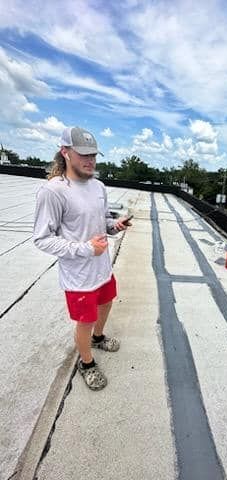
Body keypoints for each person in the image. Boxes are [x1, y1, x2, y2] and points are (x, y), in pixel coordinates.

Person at [33, 126, 132, 391]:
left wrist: (115, 225)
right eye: (83, 154)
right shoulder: (53, 191)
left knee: (107, 303)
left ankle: (98, 338)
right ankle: (86, 363)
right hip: (79, 276)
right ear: (65, 152)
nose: (90, 160)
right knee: (85, 321)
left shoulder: (98, 186)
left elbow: (101, 223)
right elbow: (42, 238)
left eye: (93, 155)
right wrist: (85, 249)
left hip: (102, 268)